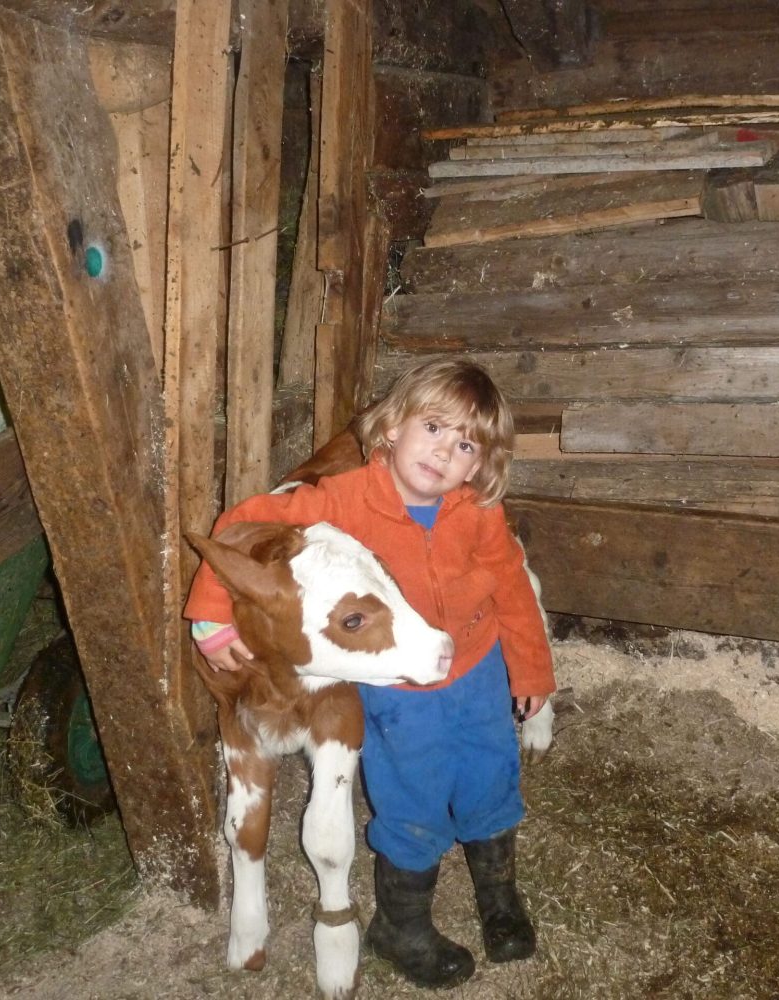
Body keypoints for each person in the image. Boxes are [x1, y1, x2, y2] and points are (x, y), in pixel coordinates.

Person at [184, 359, 556, 989]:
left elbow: (515, 591)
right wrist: (210, 613)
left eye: (466, 445)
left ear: (479, 467)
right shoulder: (344, 501)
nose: (444, 452)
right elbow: (239, 525)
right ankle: (401, 925)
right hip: (399, 692)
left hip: (475, 669)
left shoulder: (477, 514)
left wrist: (531, 669)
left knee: (492, 772)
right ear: (391, 428)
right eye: (433, 427)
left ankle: (499, 897)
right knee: (412, 792)